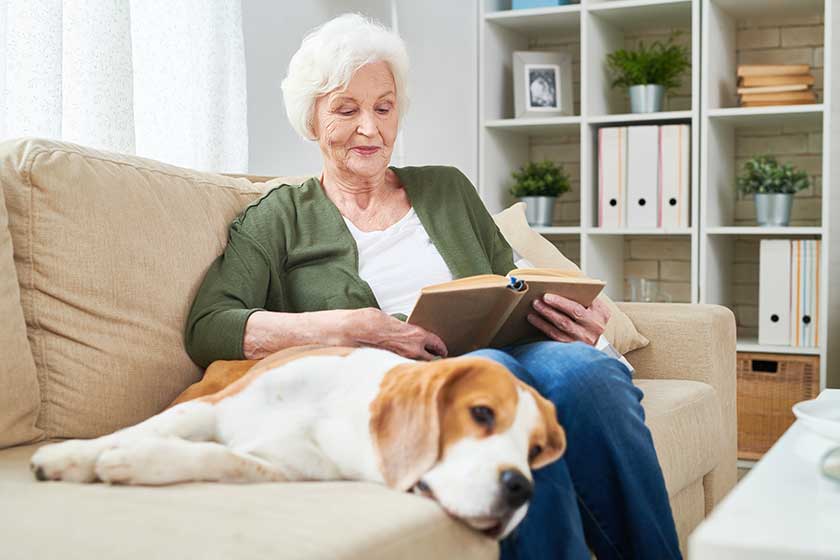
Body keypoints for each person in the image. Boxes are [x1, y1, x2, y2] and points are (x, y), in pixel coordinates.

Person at [184, 13, 681, 560]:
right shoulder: (277, 218)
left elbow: (508, 280)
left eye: (383, 107)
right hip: (418, 382)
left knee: (590, 376)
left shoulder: (446, 187)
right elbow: (211, 326)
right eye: (346, 110)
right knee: (499, 380)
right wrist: (350, 328)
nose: (369, 128)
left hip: (510, 348)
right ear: (310, 120)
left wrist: (576, 325)